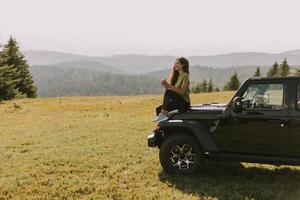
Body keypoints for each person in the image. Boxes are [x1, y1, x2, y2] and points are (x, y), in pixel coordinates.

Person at [153, 57, 191, 122]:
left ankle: (163, 114)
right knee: (158, 109)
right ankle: (162, 127)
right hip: (177, 102)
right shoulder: (176, 76)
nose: (175, 65)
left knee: (169, 91)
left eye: (177, 63)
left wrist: (169, 86)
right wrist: (165, 85)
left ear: (182, 65)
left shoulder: (185, 76)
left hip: (184, 103)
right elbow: (172, 91)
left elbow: (182, 92)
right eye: (175, 63)